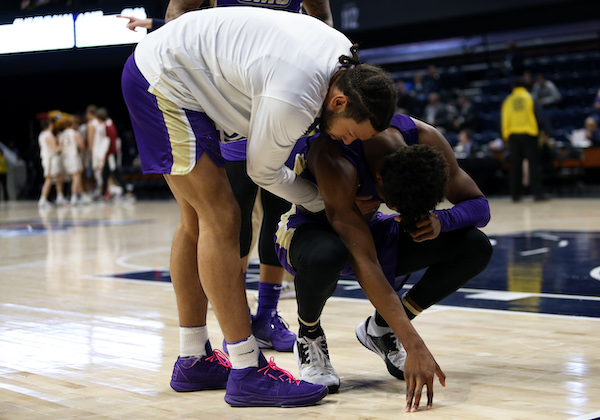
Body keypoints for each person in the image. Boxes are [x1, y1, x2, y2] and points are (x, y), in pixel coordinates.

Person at [121, 6, 398, 408]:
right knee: (223, 215)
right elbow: (262, 172)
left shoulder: (343, 59)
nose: (352, 143)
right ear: (338, 102)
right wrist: (321, 201)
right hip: (164, 82)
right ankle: (247, 368)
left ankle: (193, 357)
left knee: (196, 220)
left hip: (178, 71)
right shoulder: (297, 98)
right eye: (353, 134)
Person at [121, 0, 335, 354]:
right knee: (222, 219)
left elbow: (322, 19)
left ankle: (262, 317)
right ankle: (235, 331)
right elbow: (178, 18)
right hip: (226, 99)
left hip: (281, 95)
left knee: (274, 214)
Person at [274, 113, 491, 411]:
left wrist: (442, 219)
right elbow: (365, 261)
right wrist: (414, 344)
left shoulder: (424, 138)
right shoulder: (335, 154)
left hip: (370, 228)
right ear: (378, 180)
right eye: (393, 204)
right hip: (309, 230)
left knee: (474, 246)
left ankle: (380, 329)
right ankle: (309, 335)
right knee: (329, 254)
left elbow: (480, 206)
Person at [501, 77, 550, 201]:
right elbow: (540, 115)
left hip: (513, 135)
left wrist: (504, 135)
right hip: (529, 133)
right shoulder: (530, 97)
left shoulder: (508, 100)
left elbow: (504, 119)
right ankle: (538, 194)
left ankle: (515, 195)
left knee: (515, 165)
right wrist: (546, 130)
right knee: (533, 164)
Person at [38, 119, 65, 207]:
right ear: (49, 125)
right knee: (49, 179)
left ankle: (60, 197)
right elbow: (55, 150)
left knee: (58, 177)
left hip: (47, 159)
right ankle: (43, 199)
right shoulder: (48, 135)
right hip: (50, 160)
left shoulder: (41, 134)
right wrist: (62, 143)